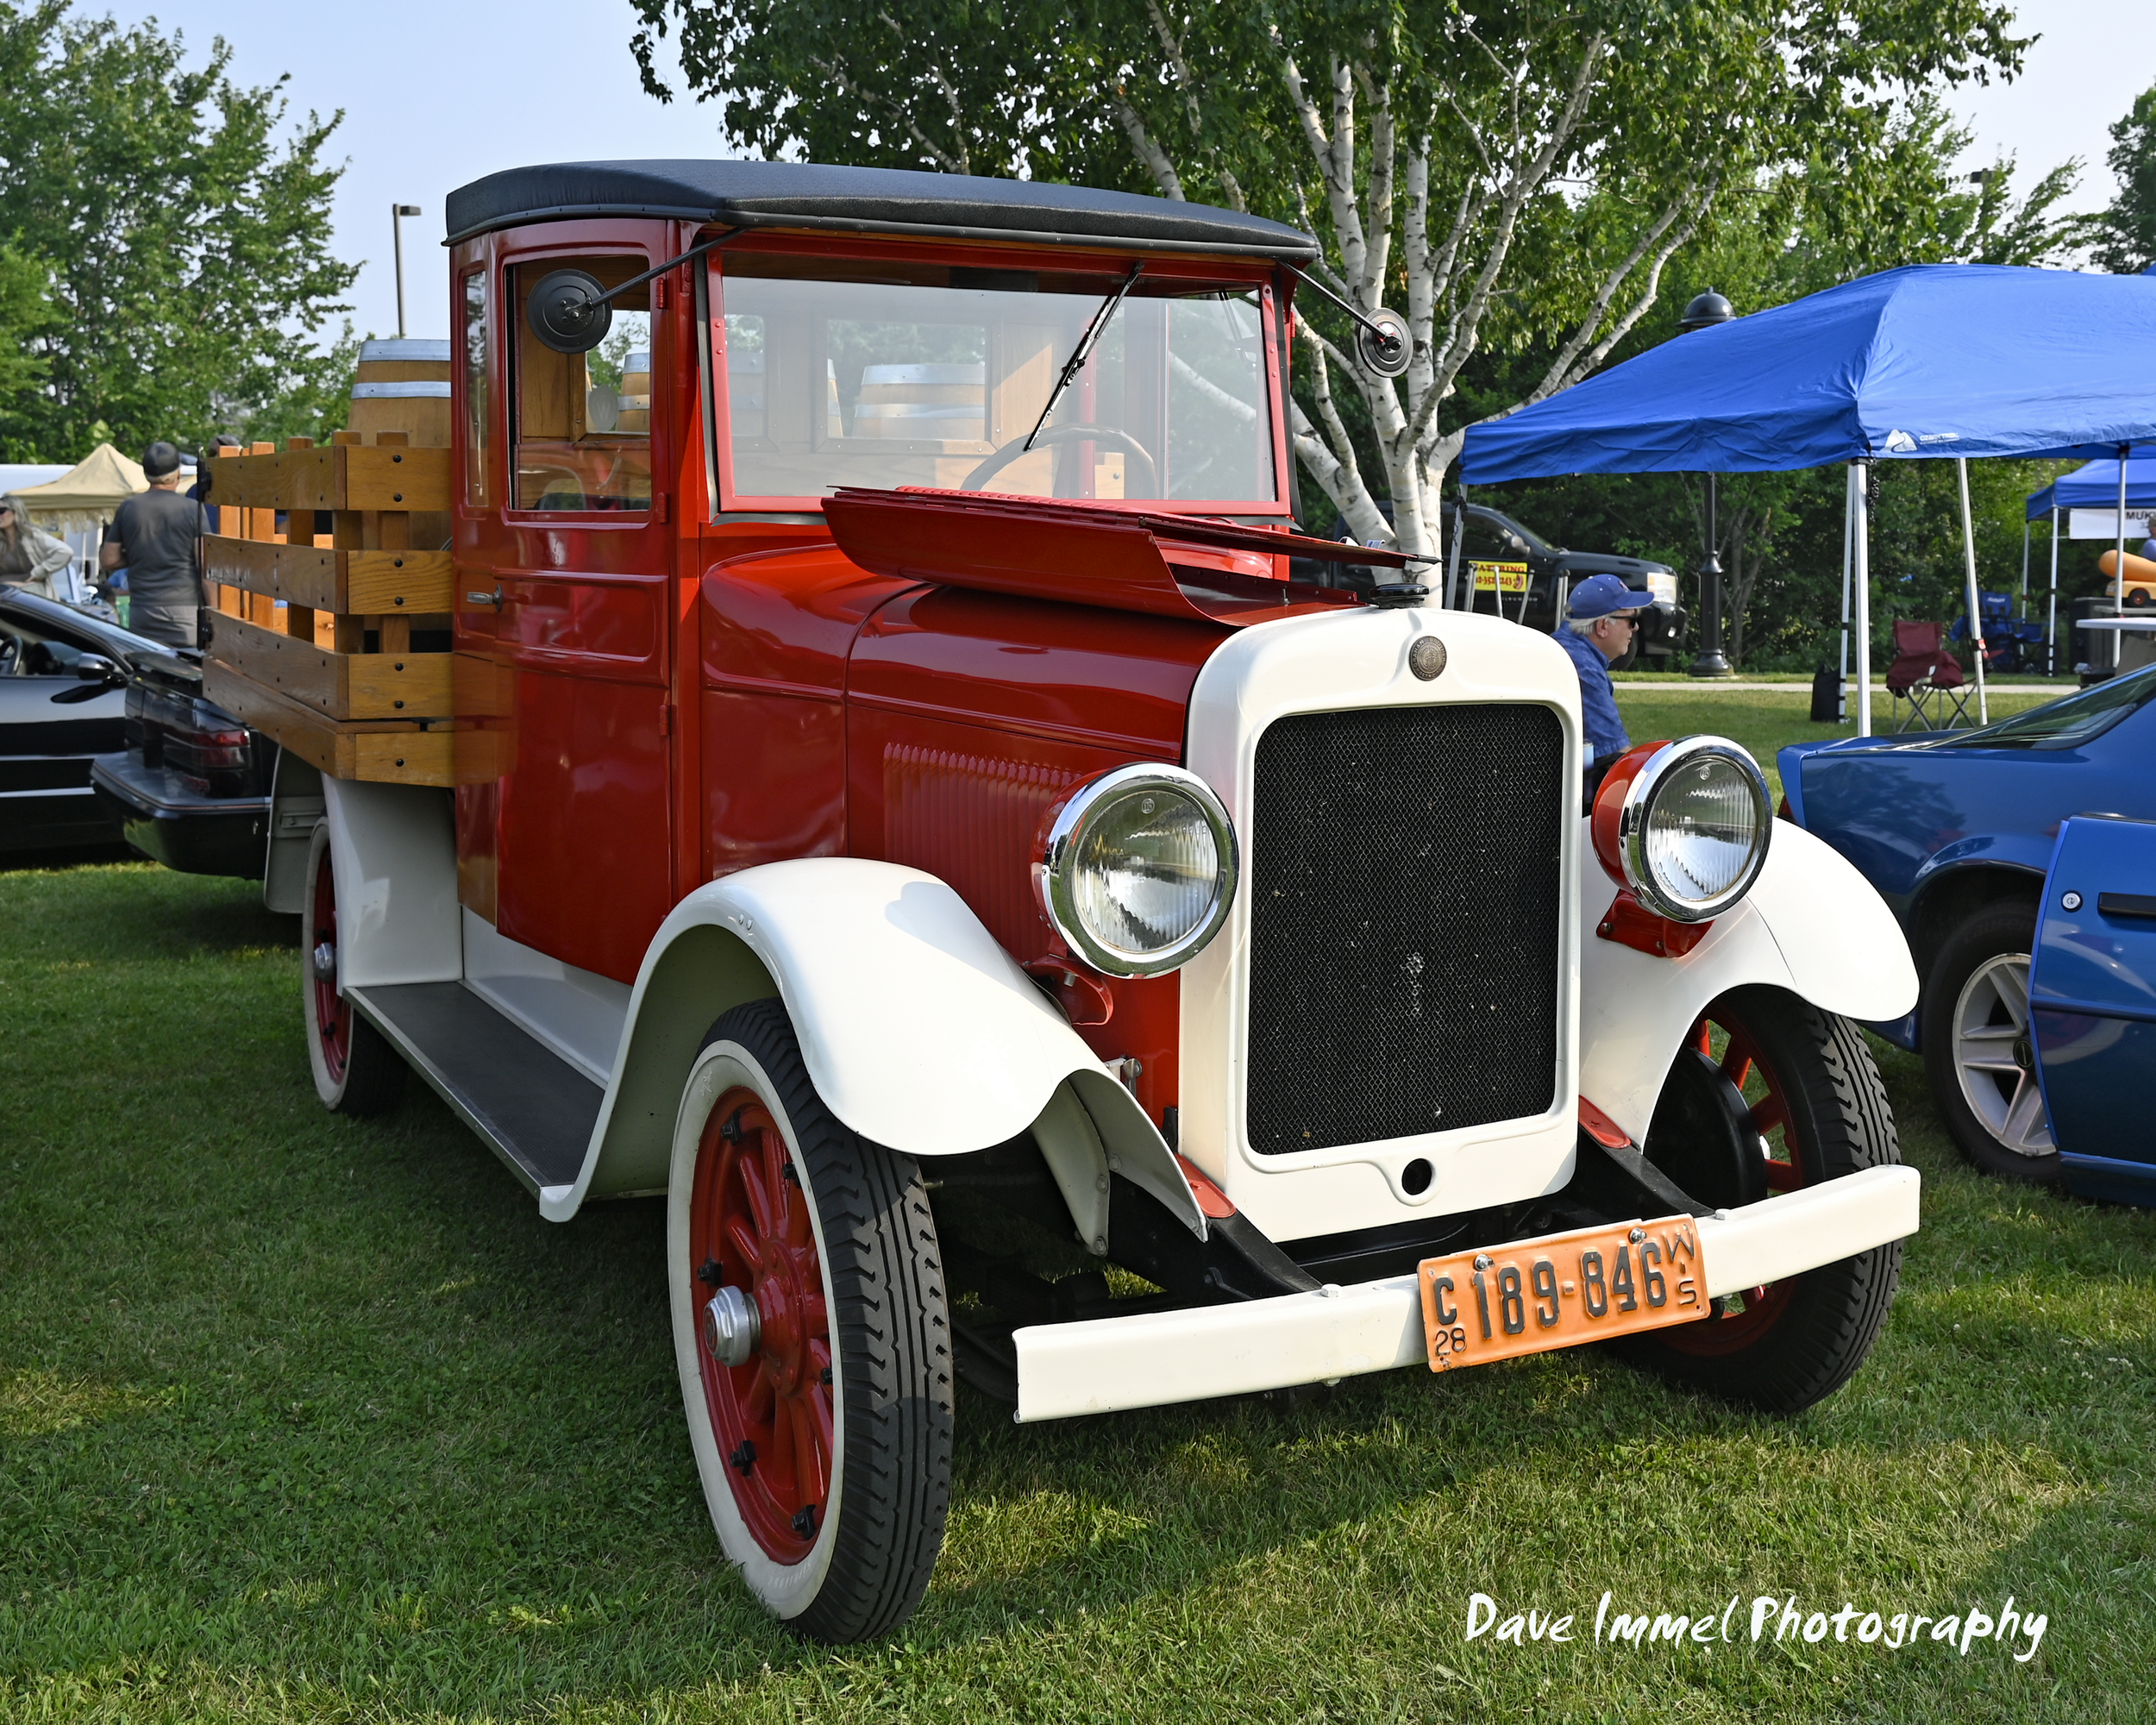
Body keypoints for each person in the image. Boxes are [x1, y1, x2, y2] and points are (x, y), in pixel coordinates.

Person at [100, 441, 207, 649]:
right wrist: (214, 608)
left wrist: (141, 553)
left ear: (145, 474)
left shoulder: (129, 507)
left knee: (148, 669)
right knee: (188, 671)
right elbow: (205, 564)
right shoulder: (192, 509)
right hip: (185, 611)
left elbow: (108, 559)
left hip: (143, 610)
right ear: (178, 474)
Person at [1557, 573, 1648, 804]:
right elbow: (1617, 757)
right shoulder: (1582, 668)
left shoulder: (1565, 648)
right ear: (1603, 627)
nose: (1635, 628)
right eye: (1631, 621)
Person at [0, 494, 78, 597]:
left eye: (1, 511)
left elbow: (65, 551)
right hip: (5, 598)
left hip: (30, 597)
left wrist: (40, 572)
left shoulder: (32, 535)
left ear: (16, 512)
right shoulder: (2, 540)